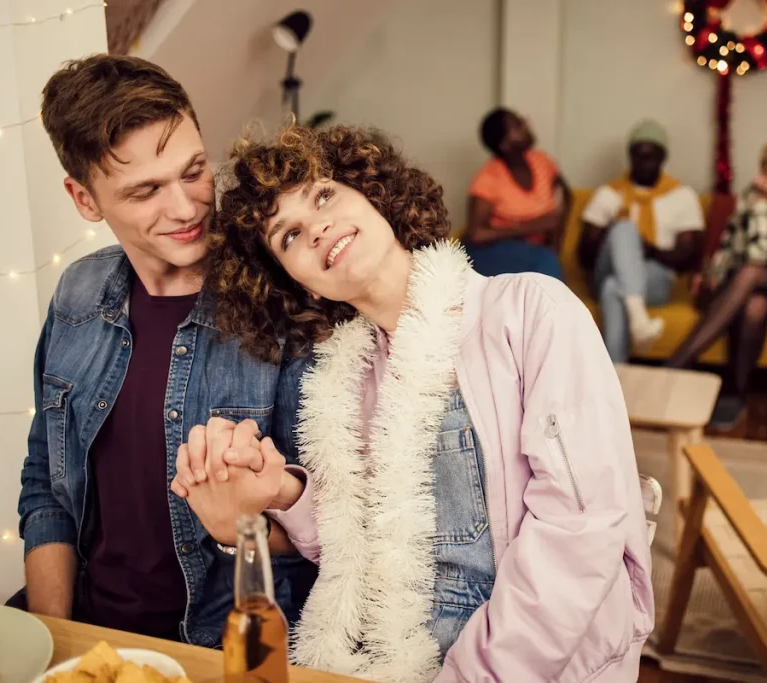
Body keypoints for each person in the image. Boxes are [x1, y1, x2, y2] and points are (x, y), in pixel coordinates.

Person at [170, 124, 653, 683]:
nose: (318, 227)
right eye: (289, 236)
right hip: (397, 659)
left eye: (324, 195)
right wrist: (282, 492)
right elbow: (372, 554)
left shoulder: (529, 311)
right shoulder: (343, 384)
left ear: (374, 195)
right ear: (297, 283)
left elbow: (579, 532)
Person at [15, 54, 314, 646]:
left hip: (223, 649)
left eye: (195, 170)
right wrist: (54, 639)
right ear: (84, 199)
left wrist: (241, 515)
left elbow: (331, 530)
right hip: (89, 635)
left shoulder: (284, 299)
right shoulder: (77, 290)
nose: (185, 209)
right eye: (145, 191)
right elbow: (47, 484)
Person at [667, 137, 767, 428]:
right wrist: (710, 276)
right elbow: (731, 243)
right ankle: (735, 395)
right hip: (749, 288)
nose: (761, 179)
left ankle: (675, 365)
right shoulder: (754, 195)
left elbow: (763, 256)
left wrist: (760, 209)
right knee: (755, 305)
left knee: (752, 273)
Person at [578, 119, 704, 362]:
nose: (644, 162)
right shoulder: (609, 193)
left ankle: (615, 374)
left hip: (656, 278)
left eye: (652, 156)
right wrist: (610, 234)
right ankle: (639, 320)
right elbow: (584, 256)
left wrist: (648, 251)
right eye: (639, 155)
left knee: (614, 288)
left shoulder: (681, 196)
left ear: (663, 157)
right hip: (606, 270)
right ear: (629, 156)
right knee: (623, 229)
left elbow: (687, 258)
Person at [464, 108, 570, 280]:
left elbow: (566, 195)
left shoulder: (541, 161)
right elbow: (476, 234)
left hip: (536, 250)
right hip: (492, 250)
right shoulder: (488, 178)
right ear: (505, 145)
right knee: (545, 263)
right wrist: (532, 227)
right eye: (518, 125)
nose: (526, 125)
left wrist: (555, 240)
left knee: (546, 261)